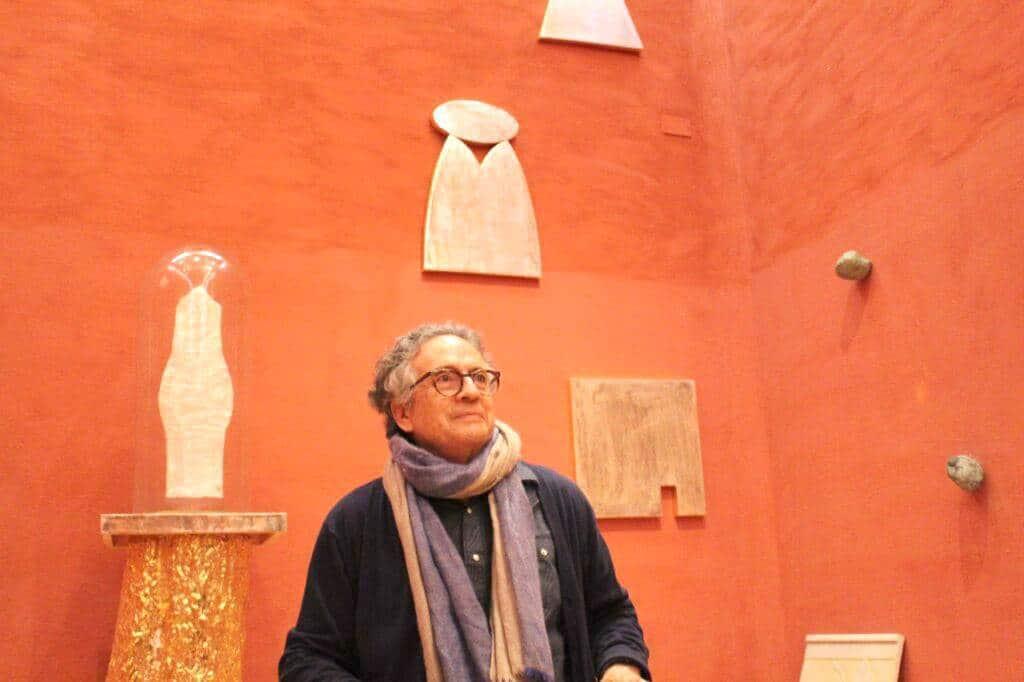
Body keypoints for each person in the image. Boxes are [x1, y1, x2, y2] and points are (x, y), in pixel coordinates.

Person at [280, 322, 650, 682]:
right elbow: (309, 658)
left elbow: (610, 615)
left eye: (481, 377)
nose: (471, 391)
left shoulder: (557, 499)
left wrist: (621, 667)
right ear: (403, 412)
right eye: (445, 379)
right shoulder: (356, 522)